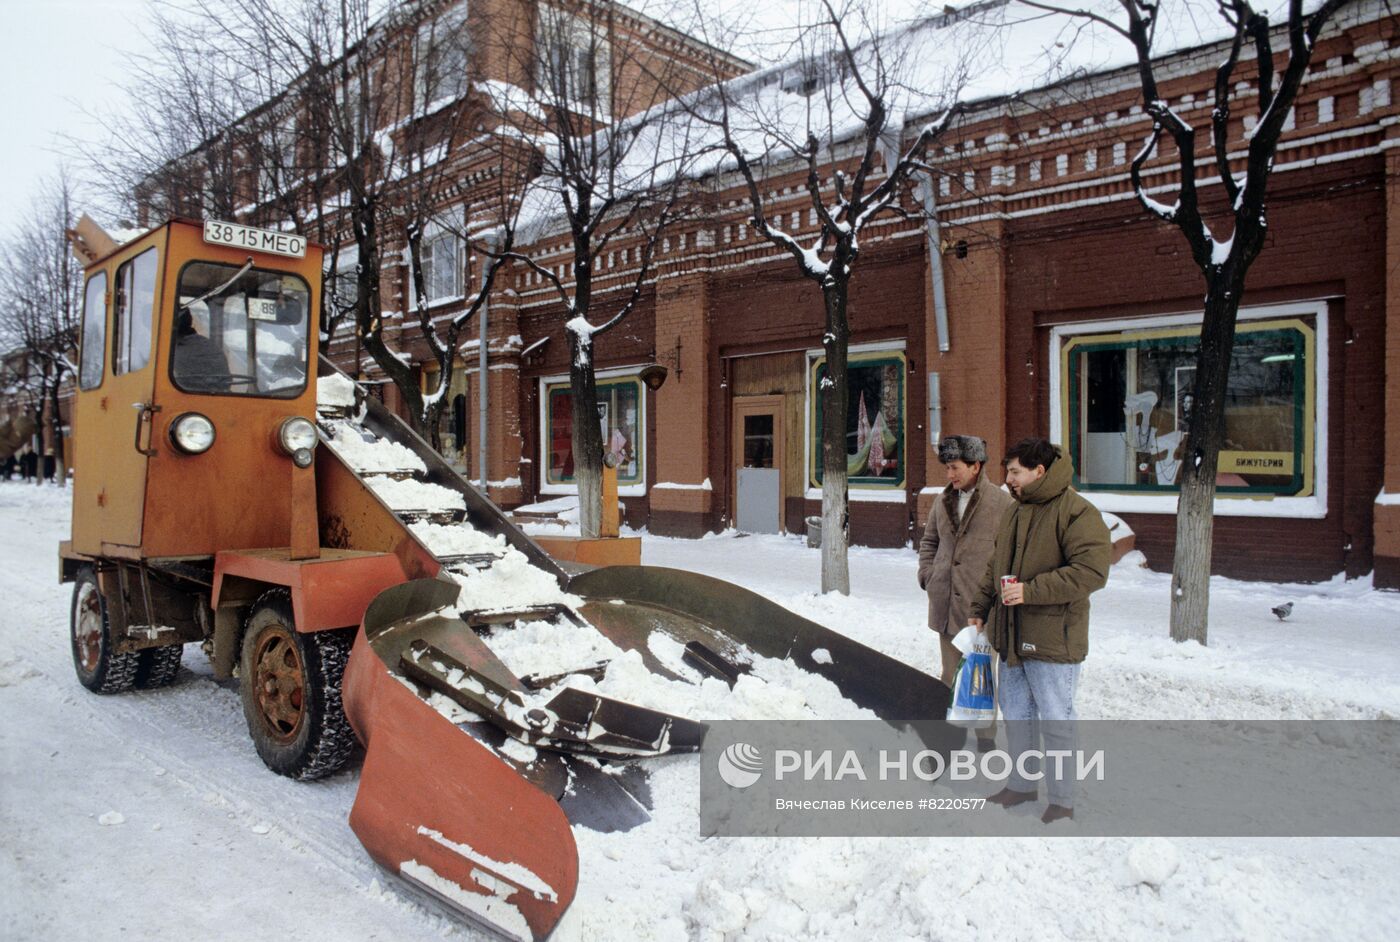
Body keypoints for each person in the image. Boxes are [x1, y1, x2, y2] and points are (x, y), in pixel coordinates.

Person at [969, 437, 1110, 824]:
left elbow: (1091, 573)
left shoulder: (1078, 513)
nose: (1008, 479)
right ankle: (1021, 785)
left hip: (1054, 639)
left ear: (1039, 471)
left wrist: (1030, 592)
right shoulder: (1015, 512)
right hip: (1011, 635)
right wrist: (979, 608)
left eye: (1014, 471)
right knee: (1016, 713)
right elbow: (994, 566)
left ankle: (1062, 800)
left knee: (1056, 719)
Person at [916, 434, 1012, 749]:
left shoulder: (1002, 503)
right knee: (949, 674)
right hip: (945, 601)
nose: (950, 475)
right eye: (947, 468)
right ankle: (949, 736)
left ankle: (985, 737)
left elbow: (1011, 553)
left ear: (976, 465)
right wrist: (928, 576)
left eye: (955, 468)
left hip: (982, 607)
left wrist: (997, 596)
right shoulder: (943, 501)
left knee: (981, 674)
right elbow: (929, 541)